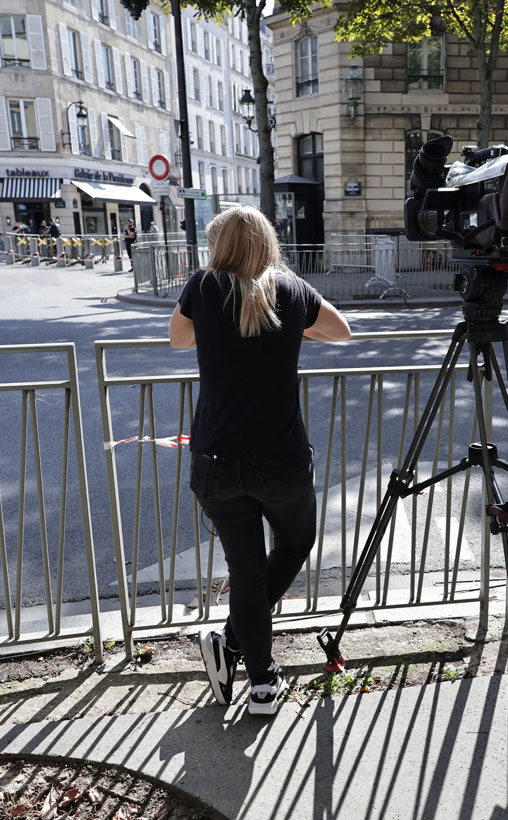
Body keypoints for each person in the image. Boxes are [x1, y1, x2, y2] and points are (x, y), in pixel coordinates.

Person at [169, 206, 350, 716]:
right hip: (280, 458)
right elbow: (342, 332)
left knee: (245, 573)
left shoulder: (203, 287)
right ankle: (242, 655)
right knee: (296, 542)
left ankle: (255, 669)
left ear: (220, 246)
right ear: (268, 243)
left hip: (216, 459)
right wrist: (292, 332)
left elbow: (178, 339)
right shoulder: (289, 291)